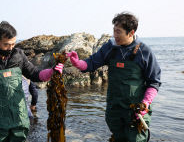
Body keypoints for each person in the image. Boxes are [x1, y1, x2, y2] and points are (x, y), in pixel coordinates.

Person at [67, 12, 161, 142]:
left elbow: (154, 82)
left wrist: (145, 104)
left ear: (131, 32)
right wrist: (77, 62)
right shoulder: (110, 48)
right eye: (114, 31)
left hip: (136, 111)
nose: (114, 35)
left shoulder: (144, 52)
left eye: (118, 32)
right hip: (115, 109)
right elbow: (91, 64)